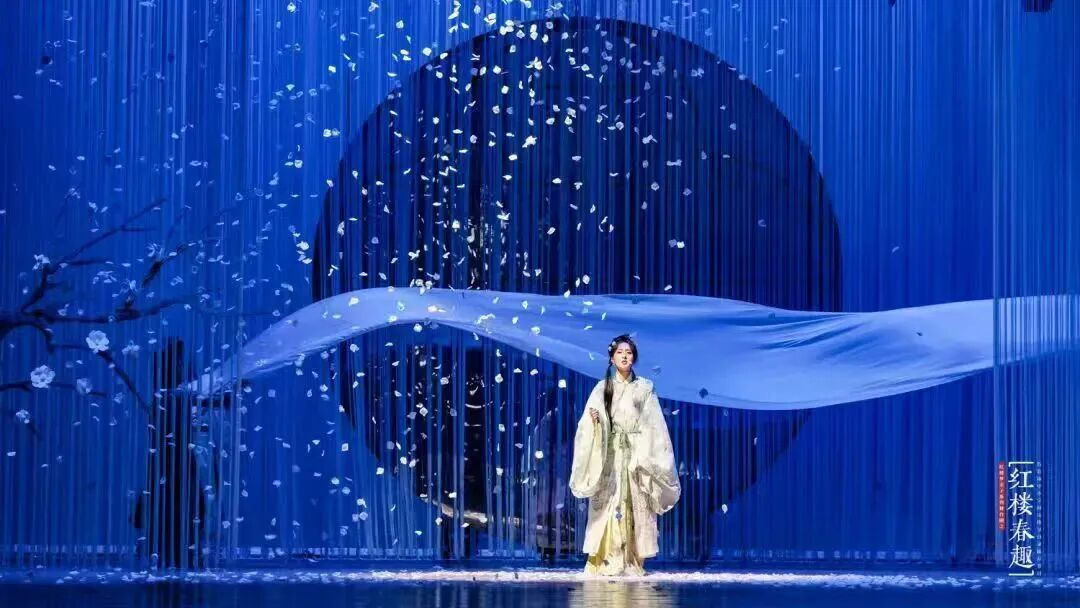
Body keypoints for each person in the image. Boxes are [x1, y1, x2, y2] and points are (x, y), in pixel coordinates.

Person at [569, 334, 681, 576]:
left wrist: (643, 451)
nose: (624, 356)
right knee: (609, 503)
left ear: (634, 358)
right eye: (619, 352)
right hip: (609, 455)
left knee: (633, 502)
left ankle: (631, 558)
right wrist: (596, 422)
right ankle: (604, 559)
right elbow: (589, 420)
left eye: (628, 353)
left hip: (636, 454)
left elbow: (654, 424)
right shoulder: (603, 388)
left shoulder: (645, 387)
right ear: (612, 358)